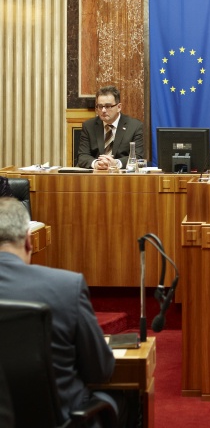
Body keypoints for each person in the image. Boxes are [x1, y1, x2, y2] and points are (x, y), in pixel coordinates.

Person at [0, 198, 117, 425]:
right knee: (122, 401)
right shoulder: (66, 286)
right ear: (28, 242)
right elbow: (101, 370)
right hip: (62, 419)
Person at [77, 85, 143, 170]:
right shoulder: (89, 126)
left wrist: (116, 163)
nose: (103, 110)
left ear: (119, 107)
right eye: (100, 106)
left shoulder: (135, 126)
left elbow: (138, 157)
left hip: (122, 175)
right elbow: (82, 156)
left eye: (108, 106)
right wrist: (96, 163)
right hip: (96, 174)